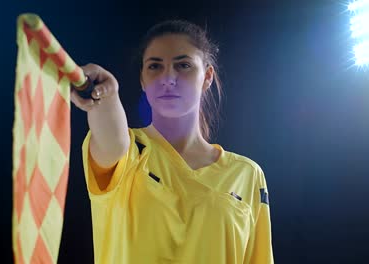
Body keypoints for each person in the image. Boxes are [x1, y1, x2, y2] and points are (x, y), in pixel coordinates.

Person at [70, 20, 274, 264]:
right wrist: (106, 94)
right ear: (143, 80)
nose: (168, 77)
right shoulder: (130, 151)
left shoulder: (247, 175)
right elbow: (112, 138)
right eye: (155, 66)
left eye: (183, 65)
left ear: (207, 76)